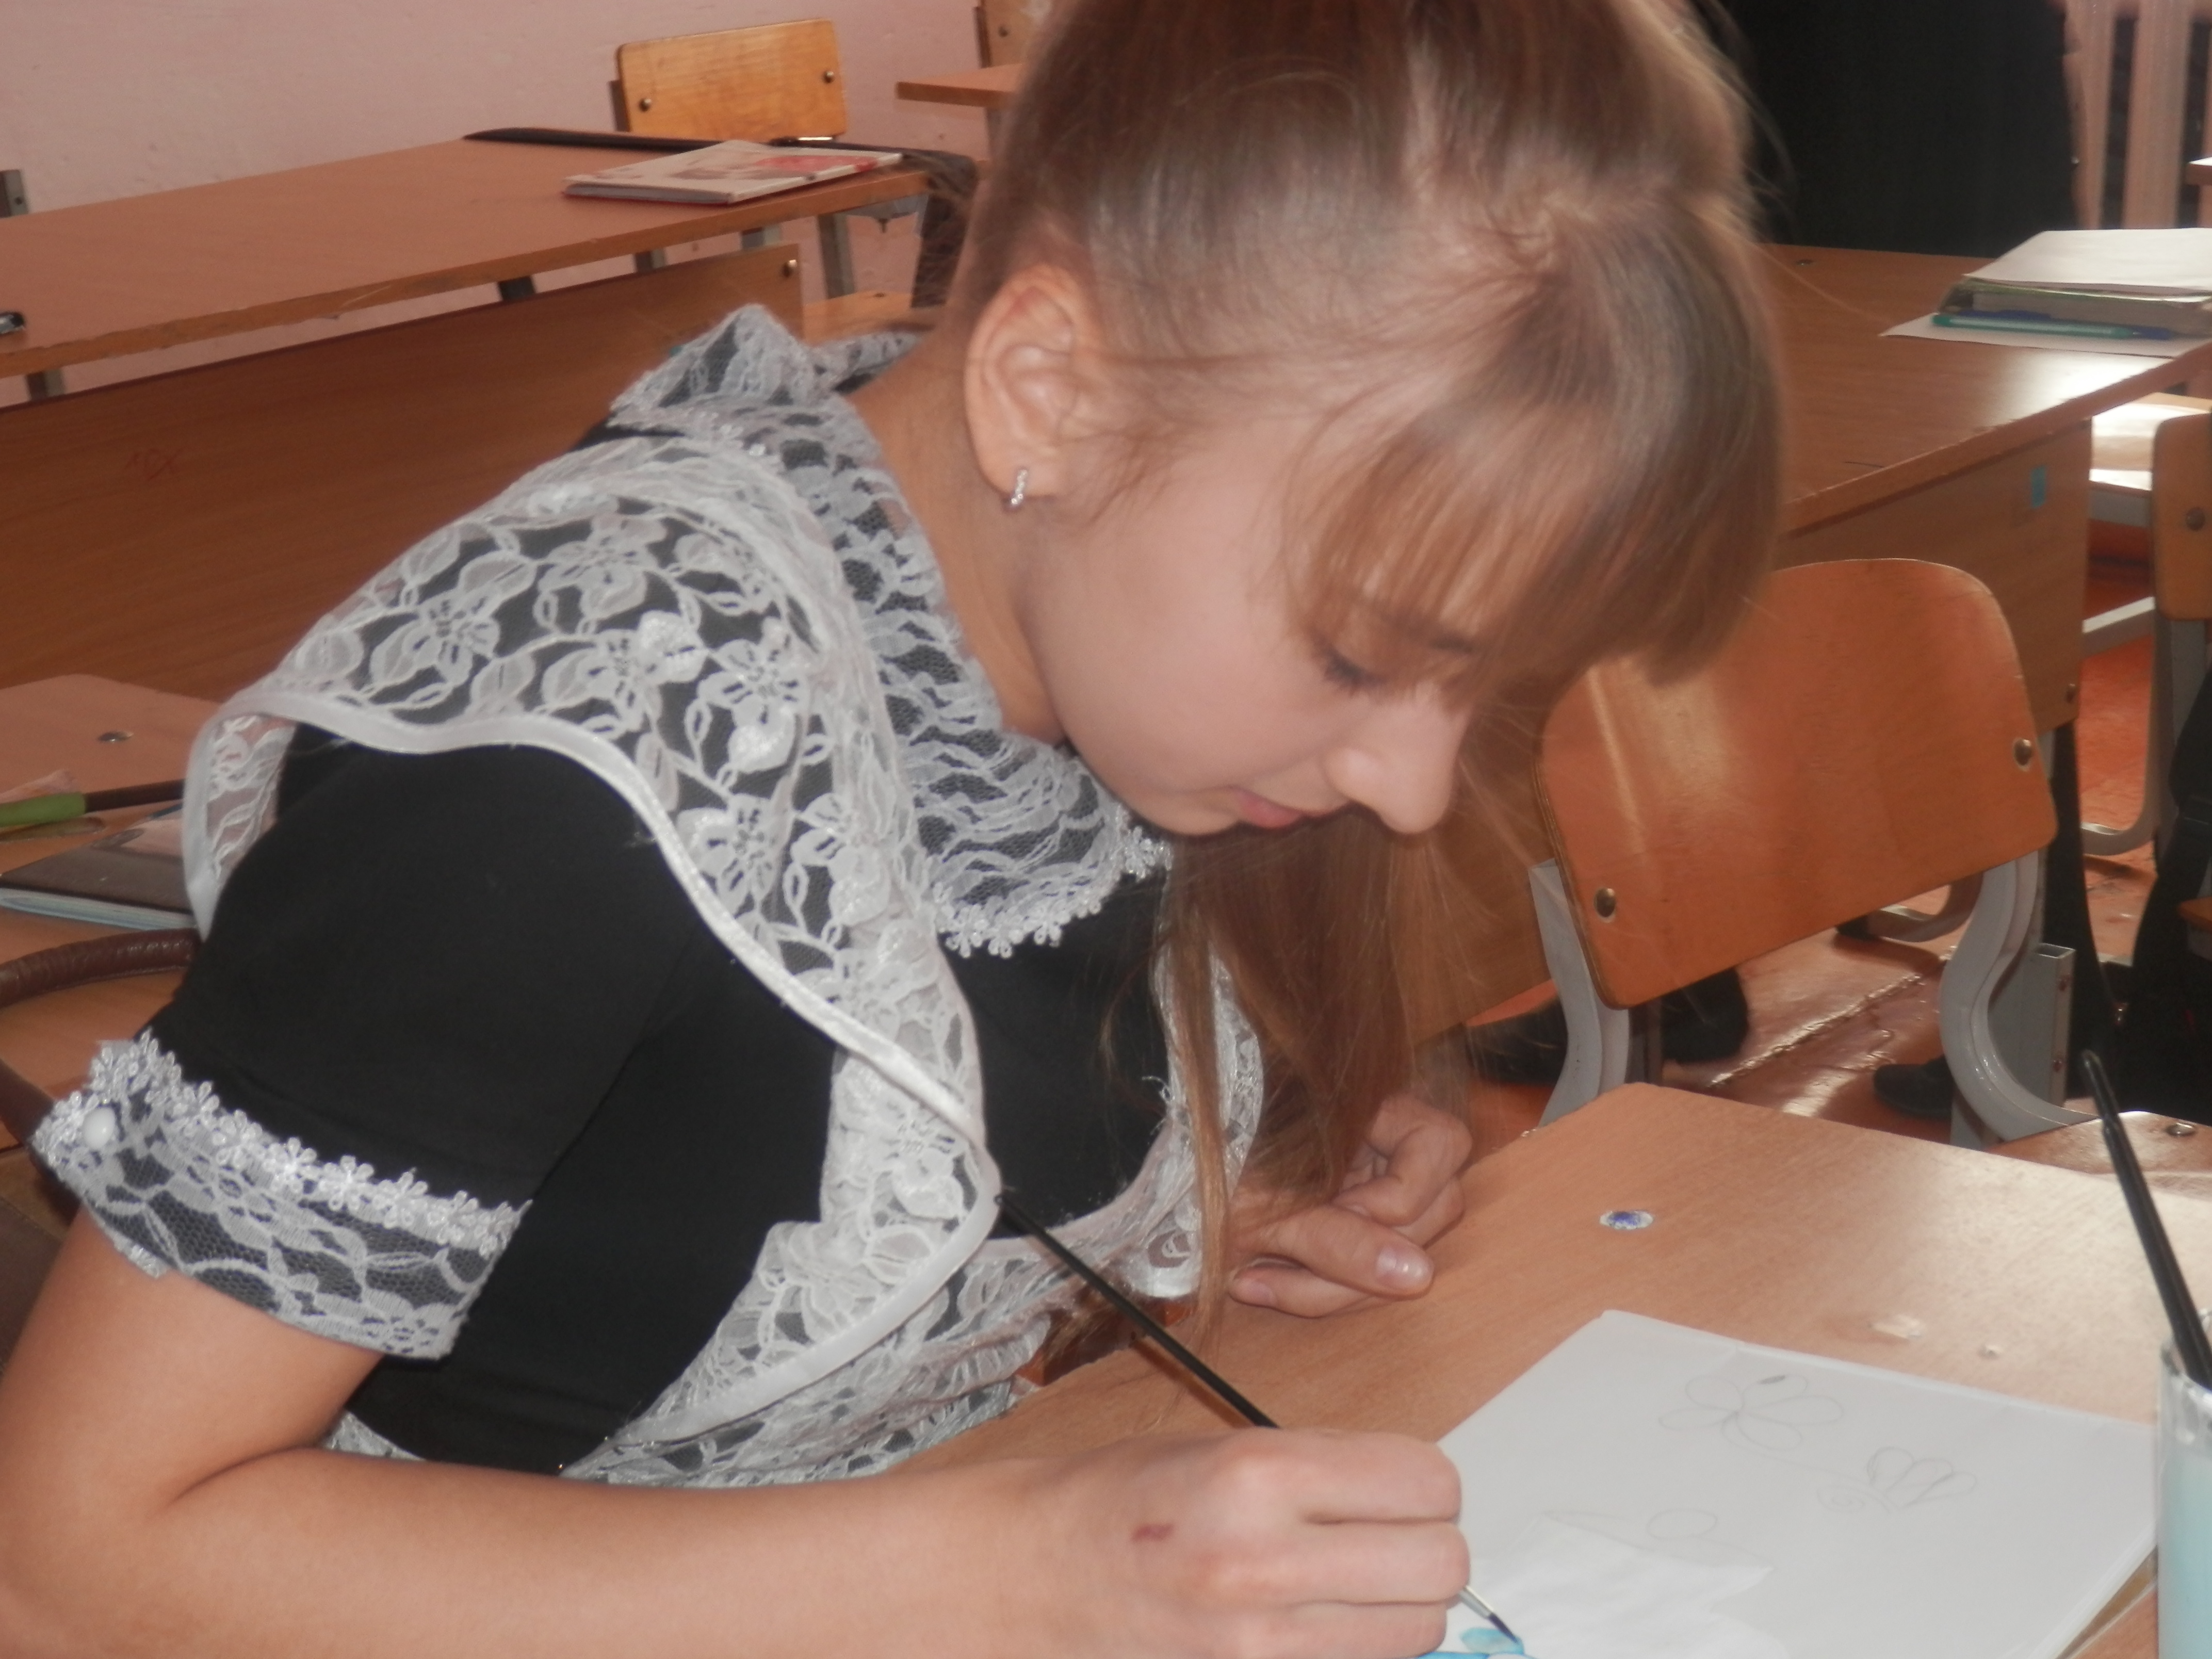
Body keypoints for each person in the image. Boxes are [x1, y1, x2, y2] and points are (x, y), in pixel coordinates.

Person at [0, 1, 1780, 1653]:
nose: (1413, 789)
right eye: (1363, 657)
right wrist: (1035, 1563)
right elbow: (65, 1567)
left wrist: (1245, 1182)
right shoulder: (555, 772)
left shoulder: (1092, 622)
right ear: (1049, 390)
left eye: (1482, 687)